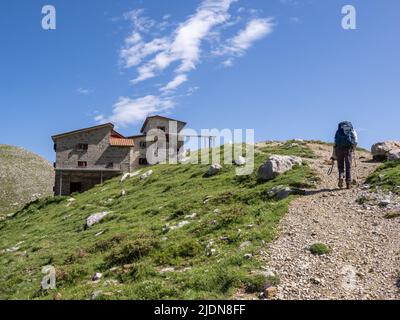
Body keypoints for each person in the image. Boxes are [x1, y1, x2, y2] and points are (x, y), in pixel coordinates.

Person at [331, 121, 358, 189]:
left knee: (340, 166)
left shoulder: (338, 131)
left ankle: (341, 176)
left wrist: (333, 155)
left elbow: (335, 143)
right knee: (348, 166)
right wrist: (353, 149)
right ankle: (348, 183)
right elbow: (356, 140)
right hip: (348, 149)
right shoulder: (352, 130)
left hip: (339, 149)